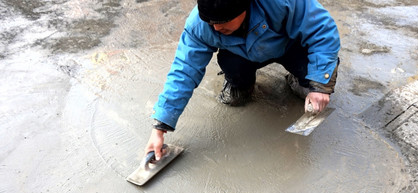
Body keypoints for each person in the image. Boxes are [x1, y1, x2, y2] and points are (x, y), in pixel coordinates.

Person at [145, 0, 340, 160]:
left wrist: (320, 85)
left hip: (288, 45)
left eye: (223, 21)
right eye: (211, 22)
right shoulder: (200, 25)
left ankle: (300, 80)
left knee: (315, 82)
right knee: (233, 74)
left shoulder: (280, 3)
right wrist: (160, 126)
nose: (217, 27)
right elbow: (184, 70)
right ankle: (242, 84)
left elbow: (322, 31)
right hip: (241, 55)